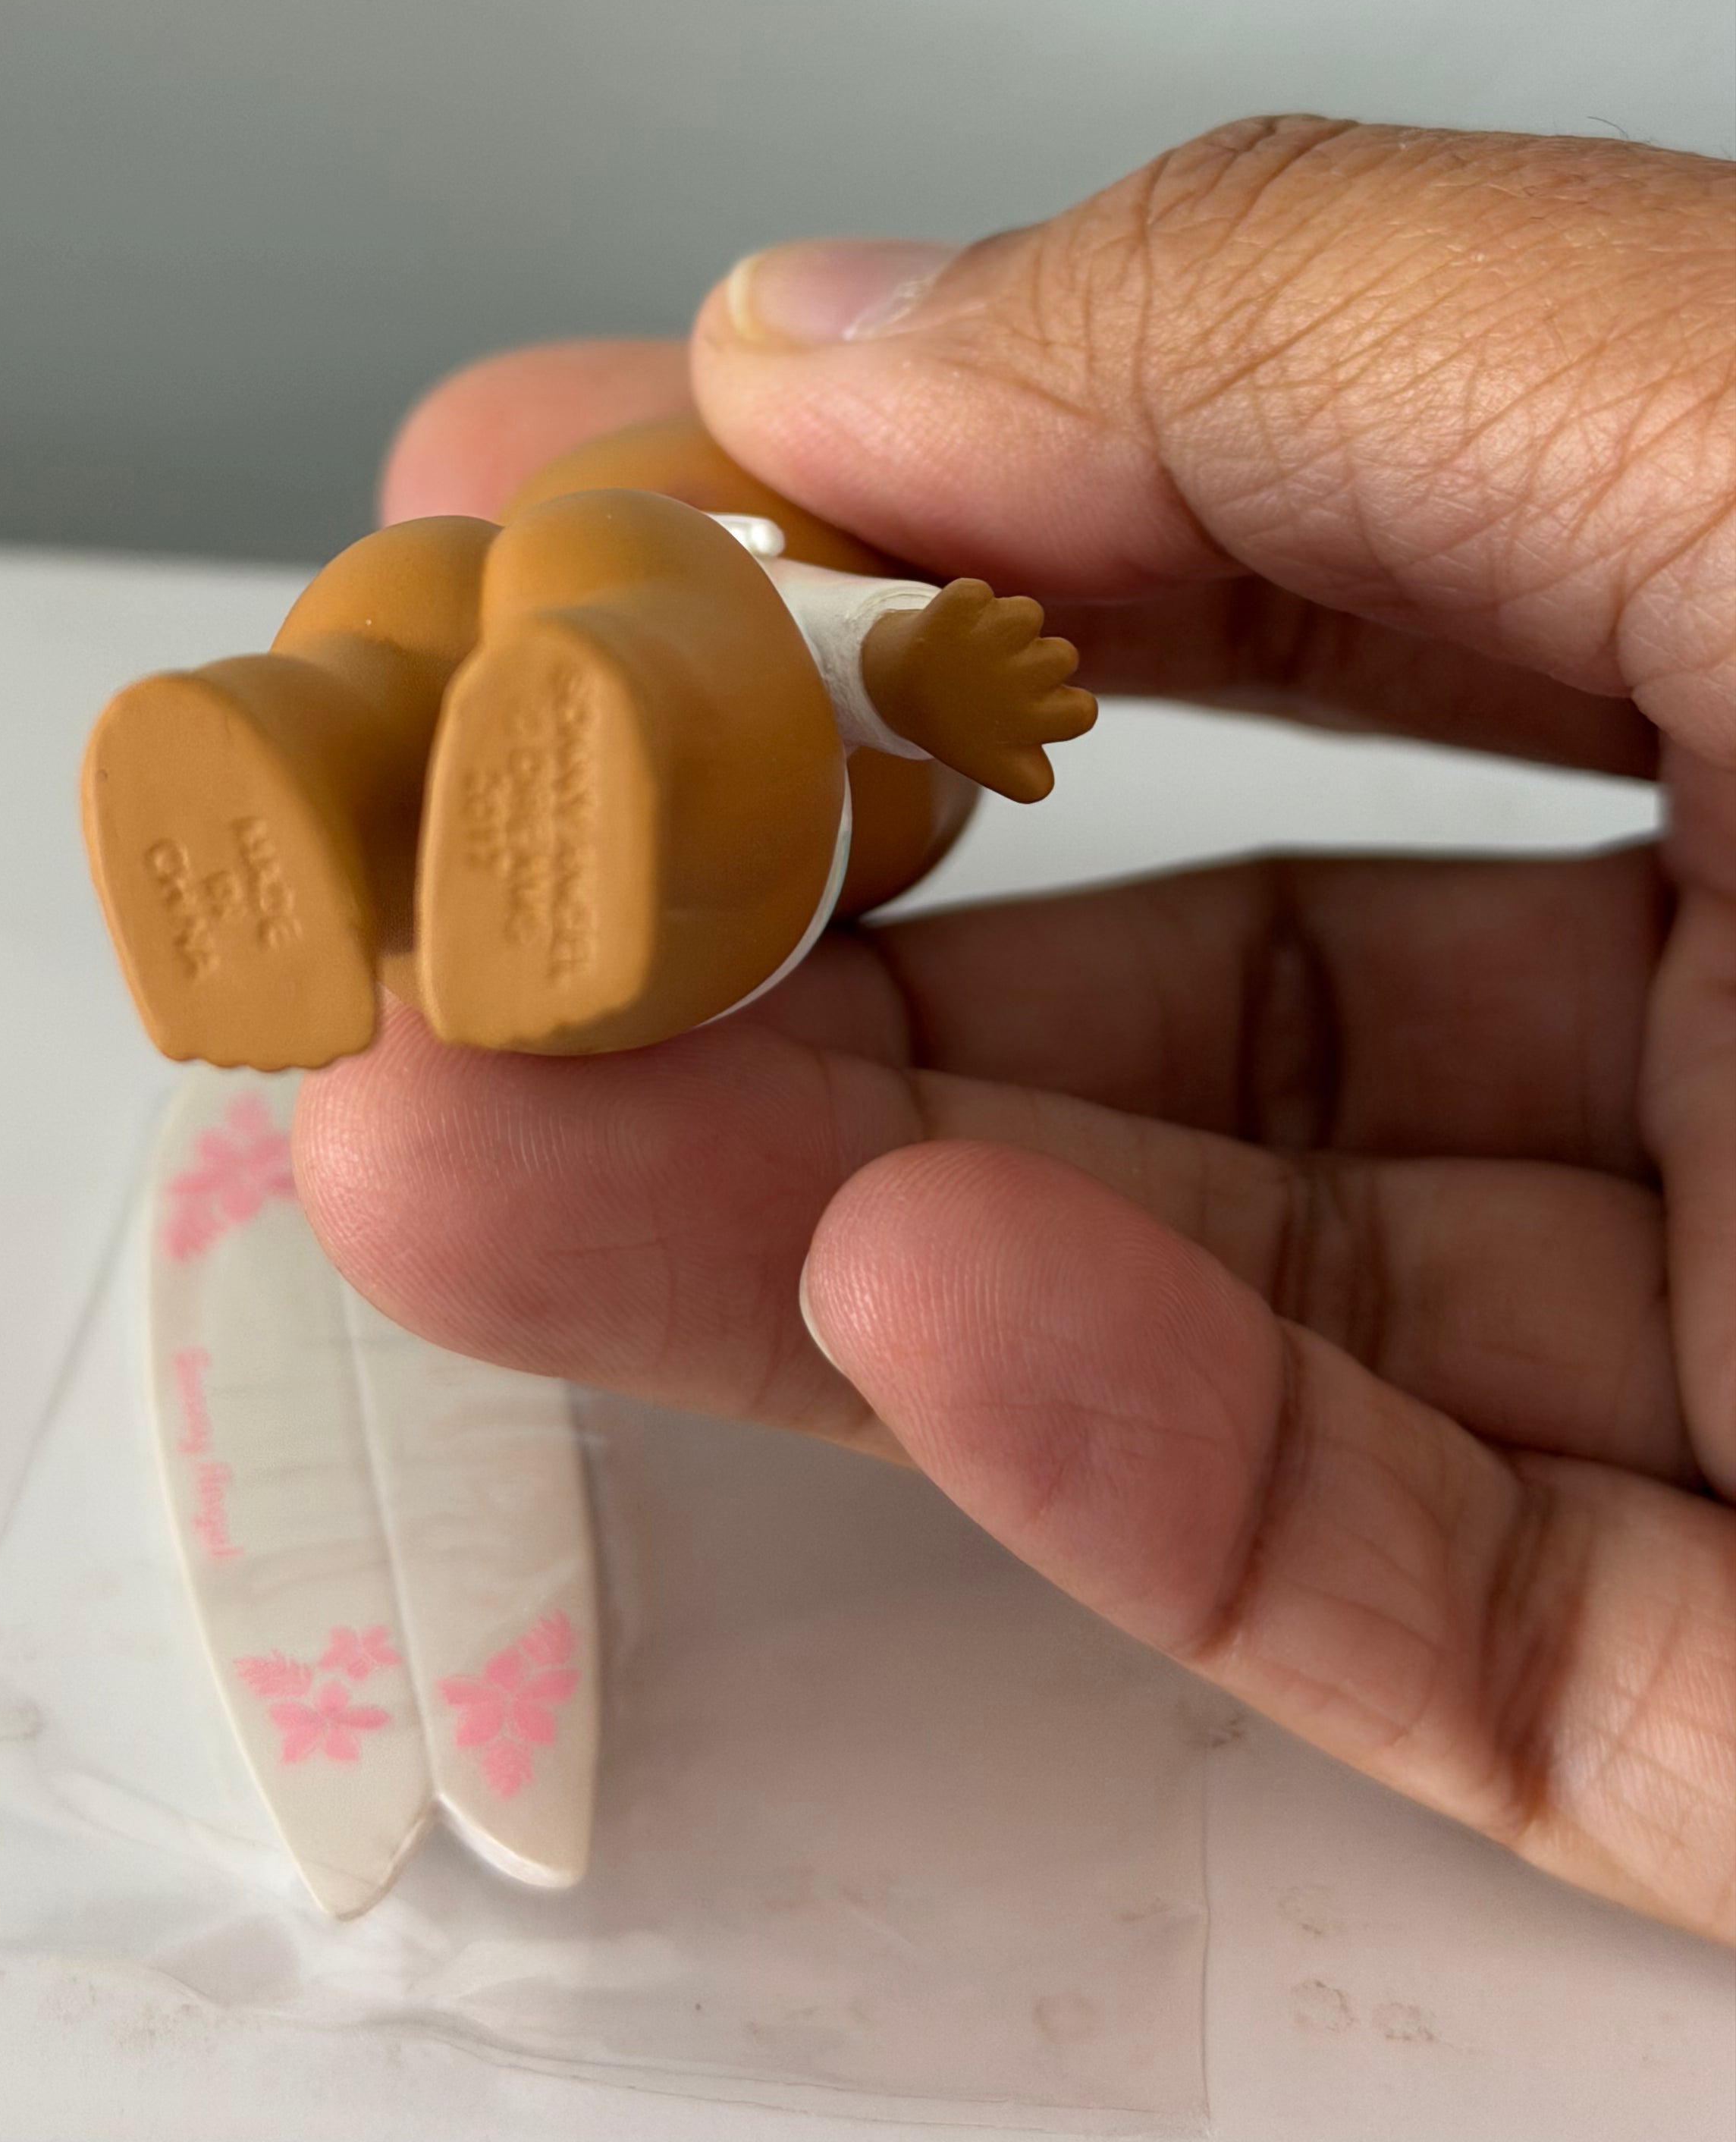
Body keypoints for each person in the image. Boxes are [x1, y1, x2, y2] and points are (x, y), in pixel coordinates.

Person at [294, 115, 1736, 1945]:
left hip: (540, 652)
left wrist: (893, 672)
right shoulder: (741, 671)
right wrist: (914, 676)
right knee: (646, 761)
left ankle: (295, 743)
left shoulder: (660, 628)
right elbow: (825, 641)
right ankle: (450, 765)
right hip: (671, 676)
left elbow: (821, 645)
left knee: (390, 688)